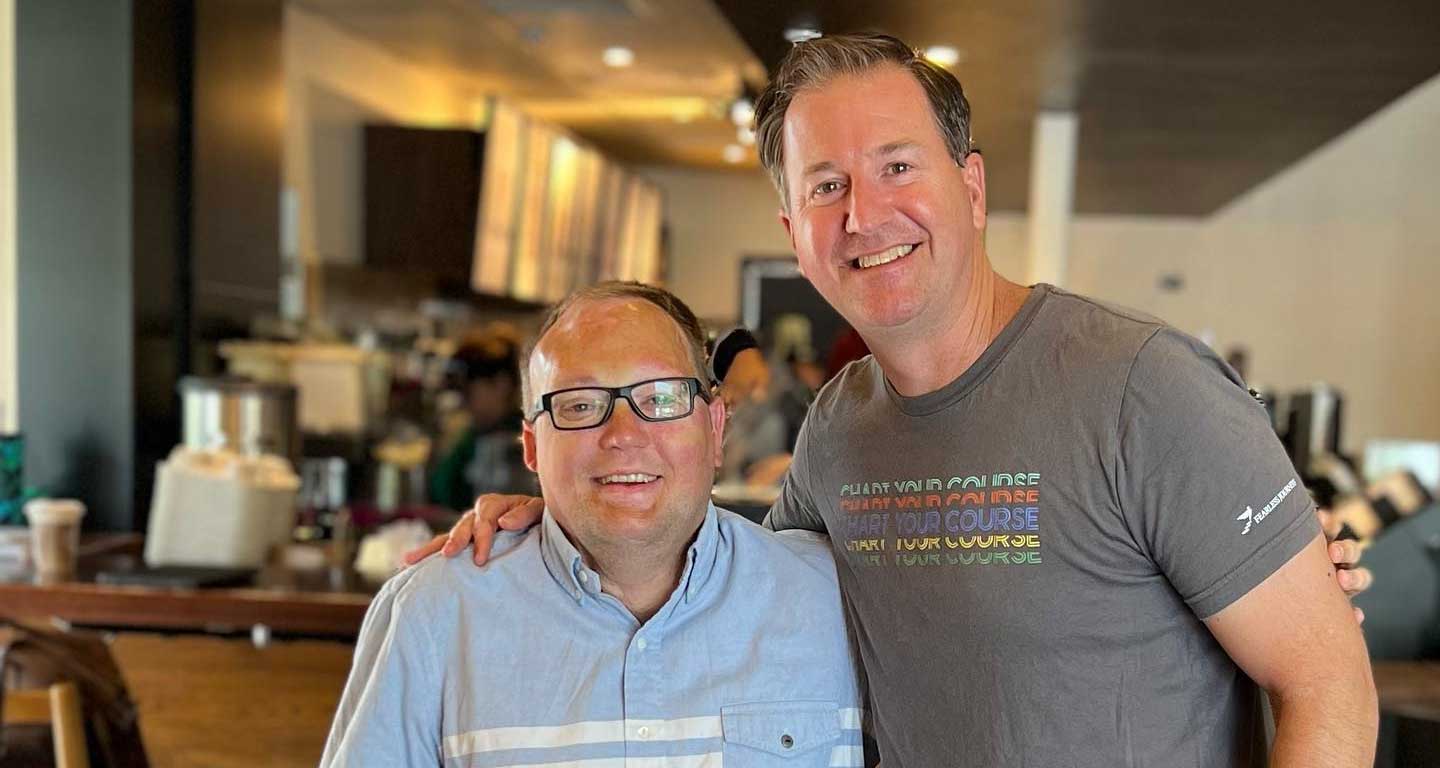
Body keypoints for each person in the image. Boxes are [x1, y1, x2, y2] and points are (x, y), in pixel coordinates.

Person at [409, 34, 1378, 766]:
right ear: (795, 233)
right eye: (826, 185)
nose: (864, 215)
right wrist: (572, 513)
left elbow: (1329, 685)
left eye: (897, 168)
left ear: (971, 185)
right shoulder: (838, 429)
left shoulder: (1141, 386)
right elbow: (723, 581)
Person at [323, 283, 867, 766]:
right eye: (580, 406)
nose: (623, 435)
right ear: (533, 446)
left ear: (716, 426)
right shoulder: (434, 617)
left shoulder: (838, 600)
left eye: (660, 398)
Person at [428, 331, 534, 509]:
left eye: (468, 392)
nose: (462, 404)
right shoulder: (472, 435)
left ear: (502, 384)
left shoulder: (525, 440)